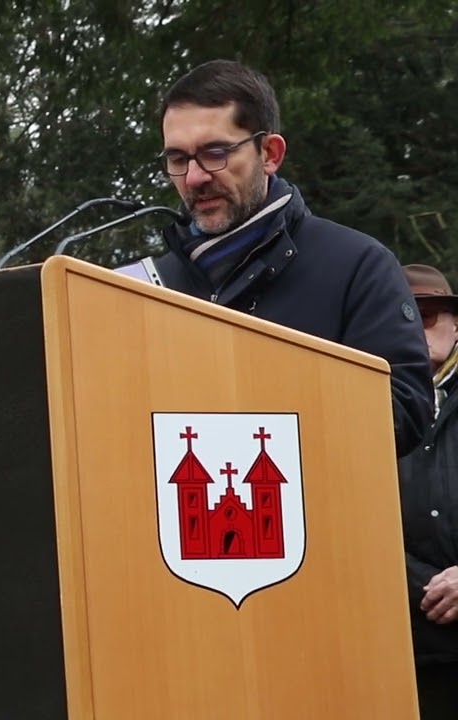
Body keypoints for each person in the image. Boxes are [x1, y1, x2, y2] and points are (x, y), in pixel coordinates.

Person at [149, 59, 432, 457]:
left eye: (215, 152)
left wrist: (254, 377)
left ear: (270, 153)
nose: (194, 177)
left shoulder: (357, 266)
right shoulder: (149, 285)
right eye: (178, 159)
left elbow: (407, 412)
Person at [397, 264, 458, 718]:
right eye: (403, 316)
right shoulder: (354, 404)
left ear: (456, 326)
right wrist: (424, 585)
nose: (418, 328)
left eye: (431, 315)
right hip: (405, 649)